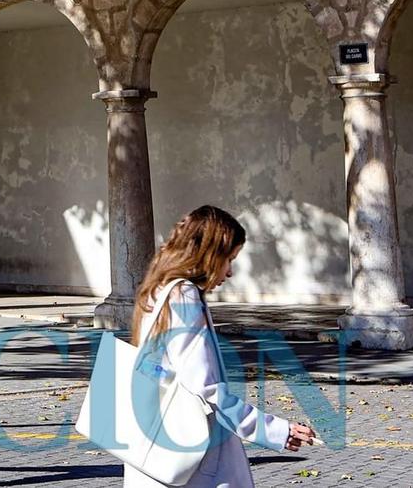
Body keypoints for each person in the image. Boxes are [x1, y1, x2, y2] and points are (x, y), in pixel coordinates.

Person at [123, 205, 317, 488]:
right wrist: (274, 430)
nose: (229, 272)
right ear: (210, 255)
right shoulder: (184, 297)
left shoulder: (157, 290)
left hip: (153, 451)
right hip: (193, 459)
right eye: (229, 259)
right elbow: (208, 391)